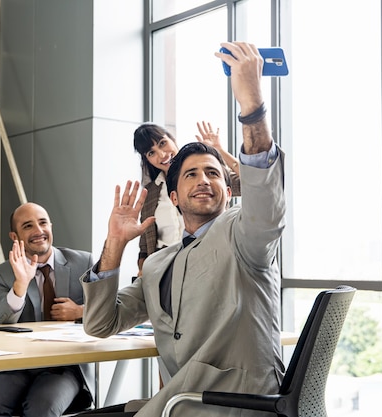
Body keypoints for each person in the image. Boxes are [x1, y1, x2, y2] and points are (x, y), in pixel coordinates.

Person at [77, 41, 286, 417]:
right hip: (179, 399)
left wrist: (252, 108)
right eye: (191, 174)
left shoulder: (244, 237)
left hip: (231, 404)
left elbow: (265, 203)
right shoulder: (159, 264)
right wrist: (114, 244)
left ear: (228, 188)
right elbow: (99, 324)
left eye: (213, 173)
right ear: (173, 196)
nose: (204, 179)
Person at [0, 202, 95, 417]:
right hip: (14, 363)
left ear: (51, 225)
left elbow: (107, 309)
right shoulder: (3, 273)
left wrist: (80, 311)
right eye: (28, 226)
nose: (38, 231)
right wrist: (20, 285)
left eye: (42, 223)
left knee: (41, 408)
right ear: (14, 236)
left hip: (64, 366)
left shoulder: (83, 262)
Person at [133, 120, 241, 276]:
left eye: (163, 143)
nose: (162, 155)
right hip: (164, 271)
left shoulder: (206, 178)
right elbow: (144, 247)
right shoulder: (149, 193)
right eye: (151, 153)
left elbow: (253, 182)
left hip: (210, 262)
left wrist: (219, 151)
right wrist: (144, 271)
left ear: (172, 139)